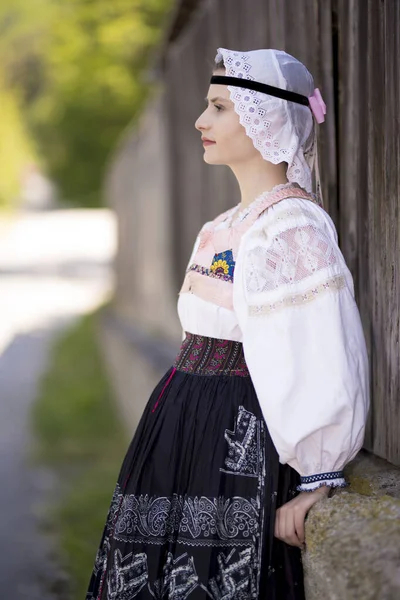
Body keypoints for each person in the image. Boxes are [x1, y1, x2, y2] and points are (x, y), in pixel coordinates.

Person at [86, 48, 369, 600]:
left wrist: (318, 472)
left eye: (219, 106)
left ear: (264, 115)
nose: (200, 121)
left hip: (236, 441)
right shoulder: (224, 225)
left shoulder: (290, 227)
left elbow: (319, 349)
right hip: (182, 424)